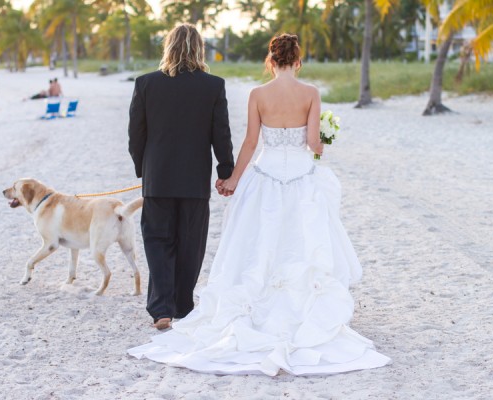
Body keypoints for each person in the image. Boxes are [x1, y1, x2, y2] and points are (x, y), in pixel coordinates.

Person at [128, 34, 391, 376]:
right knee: (295, 242)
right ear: (298, 61)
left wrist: (232, 179)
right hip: (296, 179)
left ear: (270, 61)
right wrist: (322, 140)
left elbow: (250, 142)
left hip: (250, 177)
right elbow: (311, 144)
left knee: (232, 245)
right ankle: (186, 303)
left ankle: (166, 306)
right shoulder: (309, 93)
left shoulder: (255, 94)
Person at [127, 24, 234, 331]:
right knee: (190, 243)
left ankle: (161, 308)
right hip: (194, 181)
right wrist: (225, 170)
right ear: (199, 49)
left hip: (158, 179)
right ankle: (183, 306)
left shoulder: (146, 84)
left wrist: (143, 169)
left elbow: (136, 135)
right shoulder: (213, 86)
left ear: (168, 47)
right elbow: (221, 134)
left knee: (158, 242)